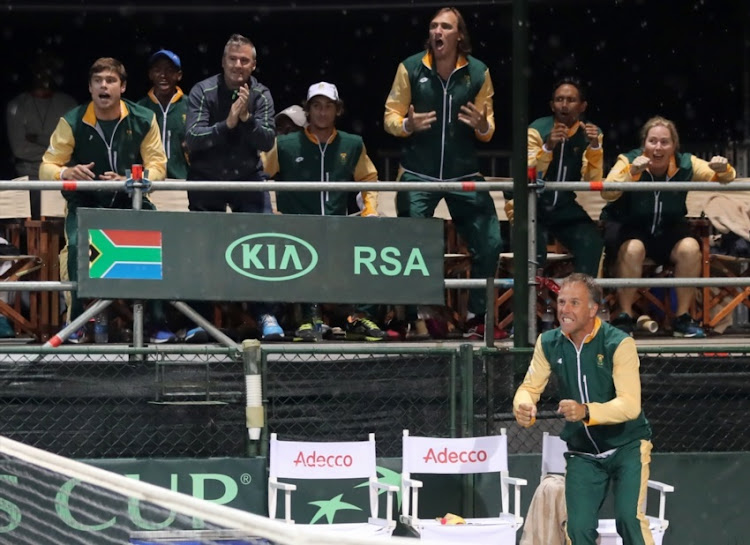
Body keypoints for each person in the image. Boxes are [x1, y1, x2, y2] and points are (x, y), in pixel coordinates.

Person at [384, 6, 501, 339]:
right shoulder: (410, 68)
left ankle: (478, 317)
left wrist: (482, 126)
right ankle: (406, 317)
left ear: (459, 35)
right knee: (407, 246)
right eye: (434, 26)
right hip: (418, 174)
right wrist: (407, 124)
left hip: (463, 174)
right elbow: (390, 117)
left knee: (490, 243)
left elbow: (488, 126)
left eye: (445, 27)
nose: (438, 32)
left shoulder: (478, 72)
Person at [39, 57, 174, 343]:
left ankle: (157, 323)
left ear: (122, 87)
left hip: (129, 199)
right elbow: (46, 166)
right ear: (89, 88)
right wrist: (66, 171)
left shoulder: (143, 119)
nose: (104, 86)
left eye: (111, 81)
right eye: (98, 81)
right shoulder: (72, 121)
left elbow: (158, 166)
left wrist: (130, 180)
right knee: (76, 247)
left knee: (157, 240)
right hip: (86, 202)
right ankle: (76, 322)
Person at [513, 273, 654, 545]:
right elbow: (529, 388)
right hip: (583, 452)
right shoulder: (548, 342)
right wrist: (523, 405)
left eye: (574, 303)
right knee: (577, 530)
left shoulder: (619, 343)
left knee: (630, 520)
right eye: (561, 301)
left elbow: (630, 405)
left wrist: (587, 412)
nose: (564, 310)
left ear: (593, 309)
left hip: (627, 445)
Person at [263, 82, 385, 342]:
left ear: (337, 110)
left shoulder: (352, 144)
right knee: (303, 245)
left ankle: (360, 318)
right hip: (295, 229)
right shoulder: (284, 144)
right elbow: (259, 176)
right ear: (308, 111)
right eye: (316, 106)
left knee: (373, 243)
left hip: (338, 226)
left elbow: (369, 179)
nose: (322, 112)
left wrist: (369, 211)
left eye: (328, 106)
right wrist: (269, 210)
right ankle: (308, 318)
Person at [184, 33, 283, 340]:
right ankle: (198, 320)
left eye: (244, 60)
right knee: (202, 250)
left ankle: (266, 315)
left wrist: (247, 118)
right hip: (206, 178)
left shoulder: (262, 94)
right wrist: (227, 124)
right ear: (223, 61)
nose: (238, 65)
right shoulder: (203, 90)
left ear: (253, 65)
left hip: (247, 179)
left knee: (260, 247)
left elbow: (267, 140)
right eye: (232, 59)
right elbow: (193, 139)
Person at [601, 116, 735, 338]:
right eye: (653, 141)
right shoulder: (628, 160)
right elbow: (607, 191)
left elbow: (725, 177)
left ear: (674, 146)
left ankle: (682, 318)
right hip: (631, 228)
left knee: (691, 248)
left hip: (668, 230)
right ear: (644, 144)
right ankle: (624, 315)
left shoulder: (686, 163)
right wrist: (632, 173)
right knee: (633, 248)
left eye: (665, 142)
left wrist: (724, 168)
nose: (658, 147)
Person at [504, 77, 604, 276]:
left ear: (583, 106)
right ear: (552, 105)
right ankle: (531, 306)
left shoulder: (591, 133)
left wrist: (595, 146)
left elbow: (593, 179)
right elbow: (528, 172)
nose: (564, 105)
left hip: (564, 209)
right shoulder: (535, 130)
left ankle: (583, 301)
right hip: (530, 206)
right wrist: (548, 147)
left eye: (571, 100)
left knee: (592, 244)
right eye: (559, 100)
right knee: (534, 253)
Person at [6, 53, 76, 219]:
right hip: (30, 173)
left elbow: (73, 146)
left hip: (64, 172)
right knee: (34, 197)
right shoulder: (17, 105)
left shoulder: (68, 103)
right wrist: (55, 148)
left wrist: (38, 138)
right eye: (39, 70)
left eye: (48, 69)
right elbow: (20, 150)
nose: (43, 75)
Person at [137, 49, 189, 179]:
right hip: (148, 182)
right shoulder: (139, 109)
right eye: (157, 70)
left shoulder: (192, 106)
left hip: (184, 183)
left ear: (179, 75)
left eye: (169, 70)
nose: (163, 75)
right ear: (150, 74)